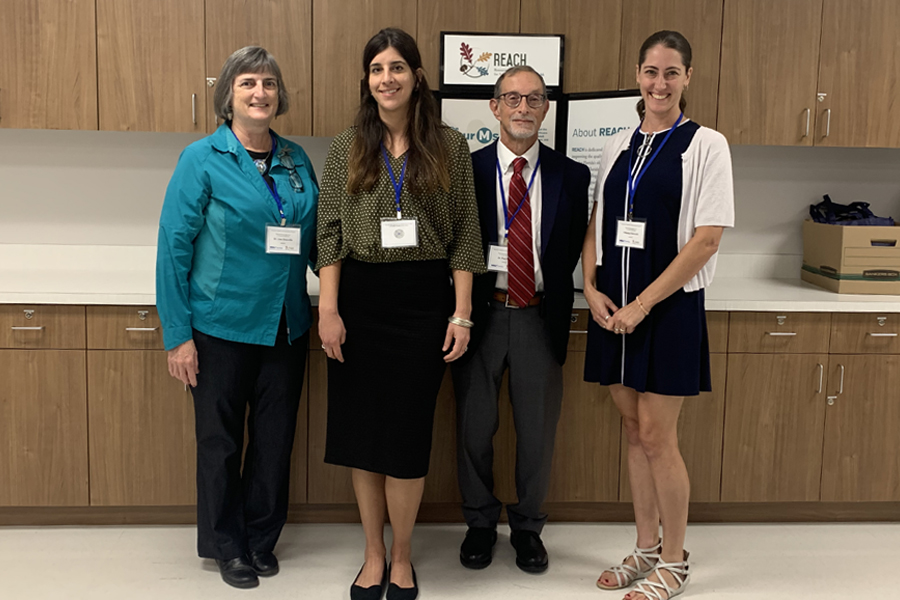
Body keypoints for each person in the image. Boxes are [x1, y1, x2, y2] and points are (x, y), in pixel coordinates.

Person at [315, 28, 484, 600]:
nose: (386, 78)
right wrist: (329, 311)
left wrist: (460, 316)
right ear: (366, 80)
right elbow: (330, 235)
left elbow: (466, 236)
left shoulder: (449, 146)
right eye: (376, 69)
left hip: (423, 301)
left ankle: (404, 557)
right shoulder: (346, 148)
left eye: (397, 67)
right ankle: (372, 553)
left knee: (408, 436)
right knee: (363, 435)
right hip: (360, 301)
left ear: (416, 76)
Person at [156, 46, 319, 589]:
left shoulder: (296, 159)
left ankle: (261, 537)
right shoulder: (202, 158)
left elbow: (318, 240)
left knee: (275, 440)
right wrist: (178, 337)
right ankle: (228, 545)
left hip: (288, 325)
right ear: (228, 93)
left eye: (269, 83)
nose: (260, 93)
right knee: (221, 442)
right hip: (220, 326)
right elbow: (173, 248)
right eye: (248, 82)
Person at [582, 31, 734, 600]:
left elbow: (707, 240)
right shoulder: (618, 143)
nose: (659, 83)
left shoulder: (706, 145)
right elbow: (597, 222)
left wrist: (644, 304)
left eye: (671, 73)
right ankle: (644, 548)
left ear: (687, 78)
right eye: (650, 71)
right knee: (631, 430)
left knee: (657, 434)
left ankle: (674, 560)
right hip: (614, 311)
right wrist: (592, 287)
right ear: (638, 76)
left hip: (666, 310)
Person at [451, 65, 590, 574]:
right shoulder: (463, 169)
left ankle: (528, 527)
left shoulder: (572, 176)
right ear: (494, 107)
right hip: (478, 316)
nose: (523, 109)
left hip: (538, 316)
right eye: (512, 99)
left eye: (534, 99)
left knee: (537, 433)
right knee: (473, 428)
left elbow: (574, 247)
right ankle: (480, 523)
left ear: (546, 107)